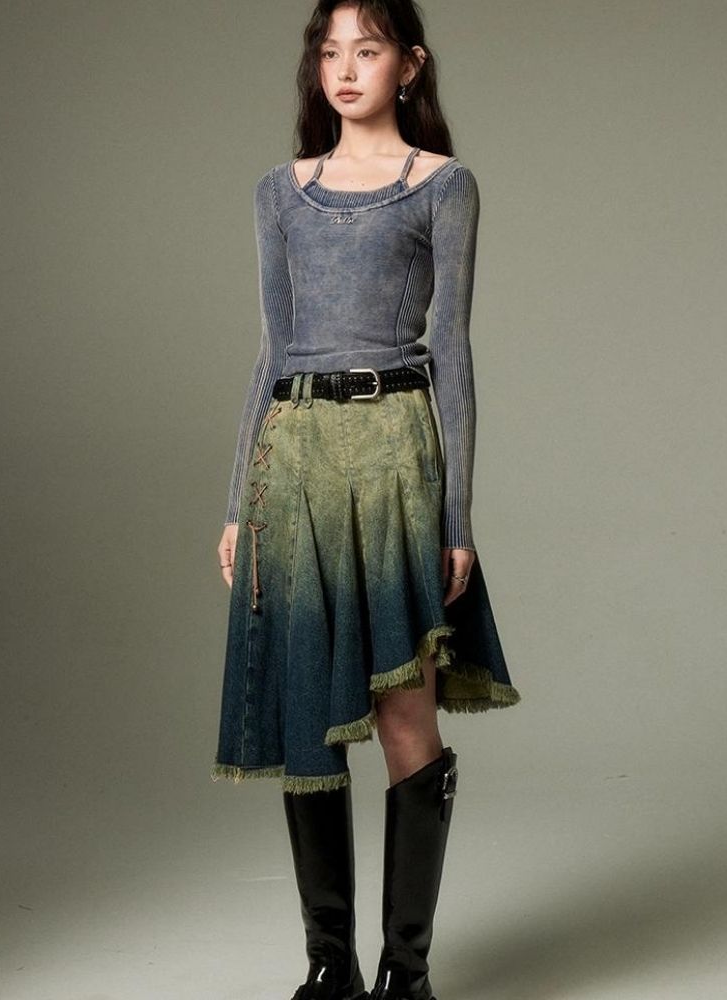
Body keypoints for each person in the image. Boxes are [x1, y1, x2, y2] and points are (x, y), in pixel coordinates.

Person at [211, 2, 521, 998]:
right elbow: (270, 350)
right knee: (309, 708)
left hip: (396, 452)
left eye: (369, 49)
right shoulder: (278, 192)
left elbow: (453, 354)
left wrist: (458, 516)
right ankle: (328, 966)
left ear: (409, 64)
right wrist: (237, 501)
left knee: (402, 712)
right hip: (295, 456)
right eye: (330, 52)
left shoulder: (443, 186)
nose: (345, 69)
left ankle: (406, 973)